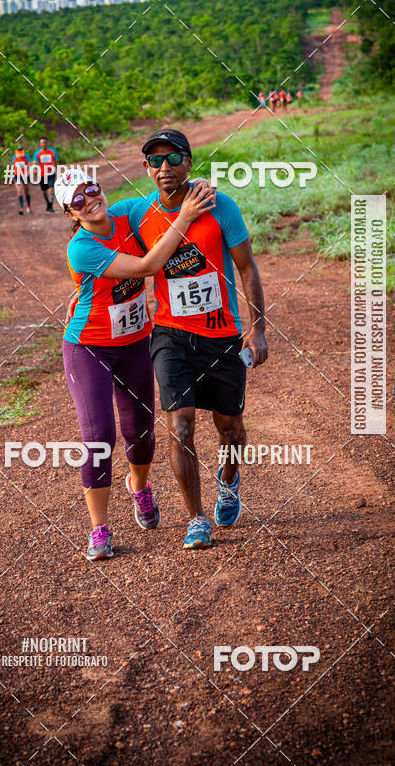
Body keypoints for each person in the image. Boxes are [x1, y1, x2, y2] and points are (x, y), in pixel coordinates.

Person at [56, 168, 216, 561]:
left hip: (134, 342)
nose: (90, 200)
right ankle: (99, 530)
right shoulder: (81, 246)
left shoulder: (128, 214)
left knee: (141, 431)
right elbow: (146, 267)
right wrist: (184, 219)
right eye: (78, 200)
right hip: (88, 346)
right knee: (99, 437)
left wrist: (201, 191)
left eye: (91, 189)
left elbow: (167, 198)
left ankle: (138, 486)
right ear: (69, 213)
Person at [126, 129, 268, 550]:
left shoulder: (219, 204)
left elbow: (247, 268)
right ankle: (197, 519)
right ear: (146, 169)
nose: (164, 167)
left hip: (221, 336)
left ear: (189, 162)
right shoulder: (137, 213)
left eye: (173, 158)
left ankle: (229, 480)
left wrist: (257, 327)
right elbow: (94, 220)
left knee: (230, 429)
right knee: (181, 427)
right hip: (170, 335)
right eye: (155, 161)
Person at [33, 137, 59, 213]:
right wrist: (34, 170)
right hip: (42, 174)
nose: (44, 144)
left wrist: (57, 170)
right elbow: (35, 163)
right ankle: (48, 203)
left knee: (51, 189)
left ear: (47, 143)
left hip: (51, 173)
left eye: (45, 142)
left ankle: (50, 206)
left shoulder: (52, 151)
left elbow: (56, 161)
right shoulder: (37, 153)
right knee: (44, 191)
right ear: (40, 144)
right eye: (42, 142)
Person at [10, 147, 31, 215]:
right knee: (19, 191)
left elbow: (29, 166)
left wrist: (27, 174)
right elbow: (12, 167)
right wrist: (11, 177)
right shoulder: (14, 157)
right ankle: (21, 208)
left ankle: (29, 206)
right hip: (17, 176)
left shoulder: (26, 156)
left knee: (26, 192)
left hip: (25, 176)